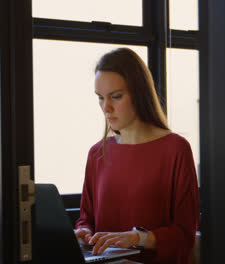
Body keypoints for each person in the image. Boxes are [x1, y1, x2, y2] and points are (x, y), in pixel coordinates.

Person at [74, 47, 200, 264]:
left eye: (116, 97)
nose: (106, 108)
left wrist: (137, 238)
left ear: (139, 93)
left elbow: (184, 236)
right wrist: (83, 231)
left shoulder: (175, 149)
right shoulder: (97, 153)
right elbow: (86, 218)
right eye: (100, 98)